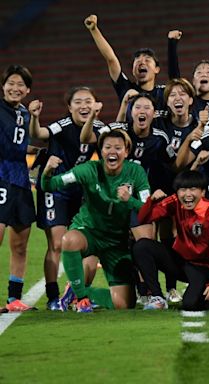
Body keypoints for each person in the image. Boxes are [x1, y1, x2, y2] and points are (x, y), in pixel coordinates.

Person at [41, 129, 151, 312]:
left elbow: (148, 210)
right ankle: (82, 299)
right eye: (107, 147)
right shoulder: (88, 170)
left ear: (126, 151)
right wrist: (47, 171)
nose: (112, 151)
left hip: (117, 242)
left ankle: (78, 292)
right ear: (101, 151)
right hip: (89, 231)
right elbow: (49, 186)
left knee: (124, 304)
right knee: (69, 240)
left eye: (118, 147)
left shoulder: (136, 172)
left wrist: (130, 201)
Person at [28, 86, 104, 310]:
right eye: (78, 102)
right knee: (57, 243)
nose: (84, 105)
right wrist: (34, 117)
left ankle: (75, 294)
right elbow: (38, 134)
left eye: (88, 101)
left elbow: (111, 138)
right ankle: (52, 297)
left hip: (80, 190)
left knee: (84, 243)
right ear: (69, 107)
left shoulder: (99, 127)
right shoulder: (62, 125)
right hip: (55, 187)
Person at [134, 170, 209, 310]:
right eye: (183, 189)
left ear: (203, 192)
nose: (187, 194)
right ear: (177, 192)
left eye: (193, 189)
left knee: (190, 304)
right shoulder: (175, 201)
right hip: (181, 261)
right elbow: (143, 219)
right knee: (142, 247)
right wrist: (151, 201)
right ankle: (158, 297)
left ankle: (205, 293)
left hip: (203, 267)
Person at [0, 65, 36, 312]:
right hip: (0, 176)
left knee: (20, 244)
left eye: (20, 84)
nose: (15, 88)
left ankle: (14, 299)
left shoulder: (24, 112)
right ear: (3, 86)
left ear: (27, 90)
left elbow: (23, 146)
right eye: (11, 83)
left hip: (21, 181)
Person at [84, 15, 169, 116]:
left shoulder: (164, 92)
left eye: (147, 59)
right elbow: (111, 59)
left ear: (157, 69)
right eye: (137, 60)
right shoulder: (126, 88)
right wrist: (94, 29)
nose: (141, 62)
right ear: (133, 70)